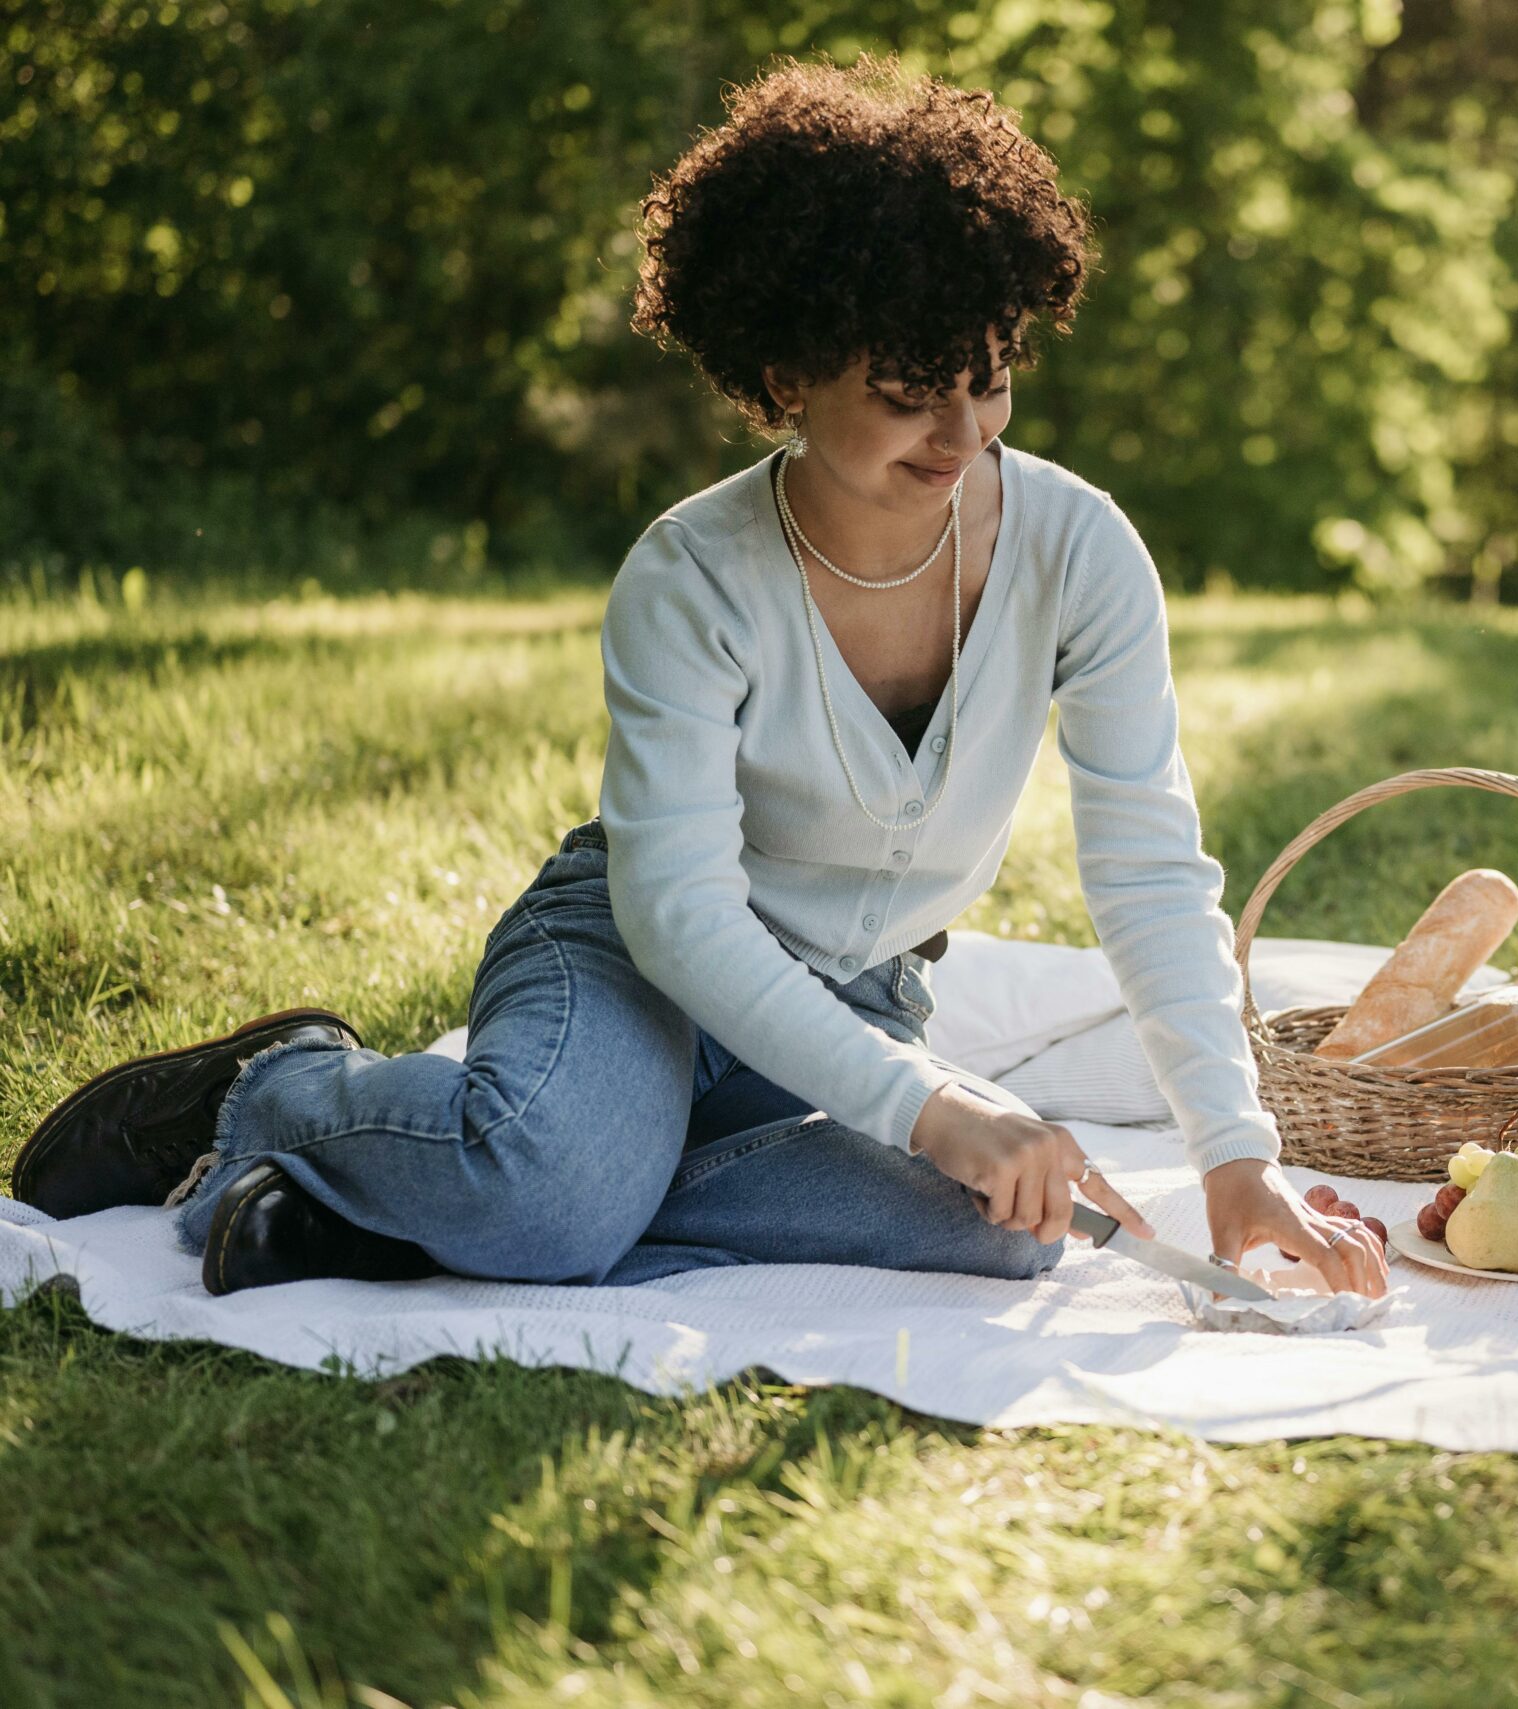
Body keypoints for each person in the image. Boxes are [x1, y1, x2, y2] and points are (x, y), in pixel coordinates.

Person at [13, 57, 1386, 1301]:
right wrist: (928, 1109)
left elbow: (1148, 863)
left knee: (1022, 1219)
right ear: (787, 370)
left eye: (992, 377)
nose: (964, 431)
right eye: (913, 388)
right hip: (635, 959)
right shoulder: (691, 576)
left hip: (854, 1001)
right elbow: (676, 913)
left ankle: (424, 1208)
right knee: (566, 1195)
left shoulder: (1079, 549)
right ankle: (274, 1094)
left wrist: (1232, 1153)